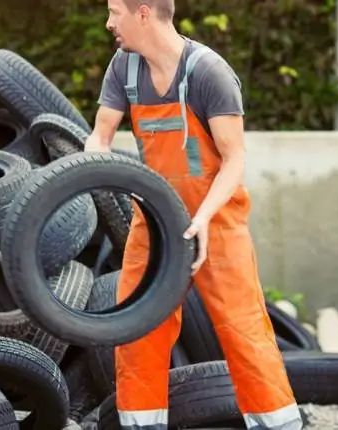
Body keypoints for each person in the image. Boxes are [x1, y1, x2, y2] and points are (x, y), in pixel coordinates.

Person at [83, 0, 305, 429]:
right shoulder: (124, 68)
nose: (109, 23)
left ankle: (279, 424)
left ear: (143, 13)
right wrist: (90, 168)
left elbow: (235, 159)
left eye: (115, 12)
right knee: (137, 330)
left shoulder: (208, 72)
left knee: (243, 332)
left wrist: (201, 218)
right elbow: (100, 136)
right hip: (154, 226)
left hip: (215, 222)